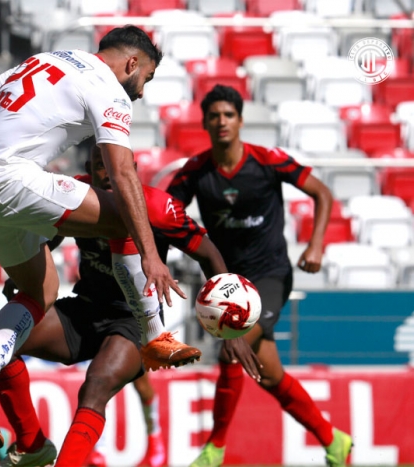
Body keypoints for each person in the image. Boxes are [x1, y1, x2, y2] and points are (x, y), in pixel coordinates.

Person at [0, 25, 202, 449]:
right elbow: (122, 171)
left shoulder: (49, 59)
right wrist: (150, 253)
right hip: (10, 179)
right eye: (146, 78)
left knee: (43, 290)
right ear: (132, 64)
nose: (142, 91)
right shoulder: (108, 89)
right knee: (123, 218)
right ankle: (154, 335)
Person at [0, 146, 261, 467]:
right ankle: (32, 445)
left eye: (118, 165)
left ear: (134, 169)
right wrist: (27, 274)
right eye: (102, 166)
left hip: (134, 323)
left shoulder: (158, 207)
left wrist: (231, 331)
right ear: (90, 167)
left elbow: (208, 254)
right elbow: (50, 235)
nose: (110, 173)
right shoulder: (75, 193)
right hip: (84, 311)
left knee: (95, 387)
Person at [165, 85, 353, 467]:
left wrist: (315, 246)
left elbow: (322, 193)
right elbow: (163, 215)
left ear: (240, 121)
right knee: (269, 375)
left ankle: (215, 448)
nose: (222, 121)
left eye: (228, 115)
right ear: (204, 122)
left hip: (269, 276)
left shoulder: (267, 161)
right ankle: (334, 440)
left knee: (232, 349)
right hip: (228, 283)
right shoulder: (196, 171)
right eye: (215, 115)